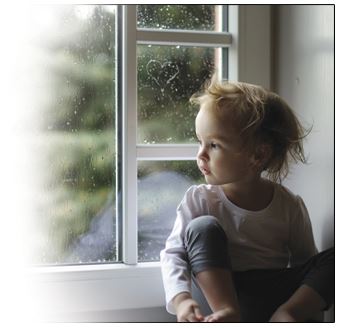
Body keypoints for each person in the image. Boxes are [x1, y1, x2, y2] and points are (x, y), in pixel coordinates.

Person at [160, 77, 334, 322]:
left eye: (214, 145)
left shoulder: (288, 205)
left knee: (331, 260)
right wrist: (182, 300)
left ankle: (289, 314)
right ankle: (228, 312)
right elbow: (174, 254)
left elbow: (306, 265)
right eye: (200, 142)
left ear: (258, 155)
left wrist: (303, 308)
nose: (200, 154)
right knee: (202, 227)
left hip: (274, 297)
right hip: (221, 292)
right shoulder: (200, 199)